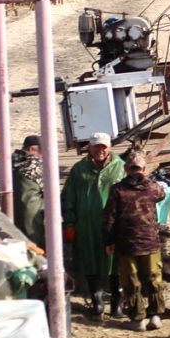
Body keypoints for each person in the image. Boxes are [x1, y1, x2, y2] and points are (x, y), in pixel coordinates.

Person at [61, 132, 126, 318]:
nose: (100, 150)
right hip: (86, 224)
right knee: (89, 260)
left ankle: (117, 304)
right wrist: (69, 221)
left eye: (103, 147)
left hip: (114, 224)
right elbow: (68, 196)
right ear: (89, 147)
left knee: (115, 262)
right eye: (96, 146)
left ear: (109, 148)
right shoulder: (79, 169)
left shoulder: (121, 167)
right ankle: (97, 302)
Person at [102, 151, 167, 332]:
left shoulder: (117, 190)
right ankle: (155, 315)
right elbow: (162, 195)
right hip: (150, 242)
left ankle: (138, 318)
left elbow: (109, 218)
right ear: (144, 169)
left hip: (126, 243)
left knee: (131, 280)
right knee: (154, 278)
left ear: (126, 169)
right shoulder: (153, 188)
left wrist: (108, 240)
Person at [12, 134, 44, 247]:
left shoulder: (14, 161)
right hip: (32, 215)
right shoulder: (34, 164)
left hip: (15, 212)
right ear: (32, 149)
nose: (43, 156)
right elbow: (49, 192)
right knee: (34, 247)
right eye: (42, 152)